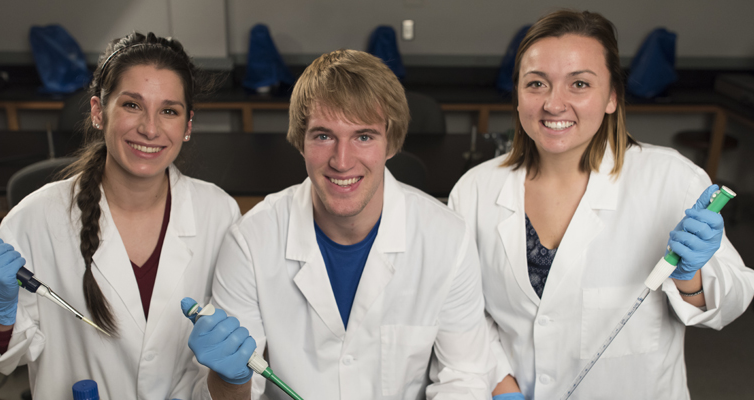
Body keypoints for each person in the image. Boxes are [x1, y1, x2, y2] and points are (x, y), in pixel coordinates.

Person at [448, 10, 754, 399]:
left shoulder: (669, 179)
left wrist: (690, 279)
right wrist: (499, 381)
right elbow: (463, 313)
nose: (554, 104)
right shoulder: (474, 190)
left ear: (612, 97)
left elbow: (734, 300)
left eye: (579, 83)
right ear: (518, 93)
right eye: (537, 83)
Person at [183, 49, 515, 399]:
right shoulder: (251, 242)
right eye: (323, 136)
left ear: (391, 142)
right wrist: (228, 382)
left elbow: (462, 379)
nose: (342, 161)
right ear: (301, 140)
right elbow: (236, 395)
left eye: (364, 136)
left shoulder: (447, 239)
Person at [0, 32, 240, 399]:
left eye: (169, 110)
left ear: (187, 126)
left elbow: (232, 356)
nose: (150, 128)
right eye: (132, 105)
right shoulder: (35, 219)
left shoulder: (218, 212)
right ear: (97, 112)